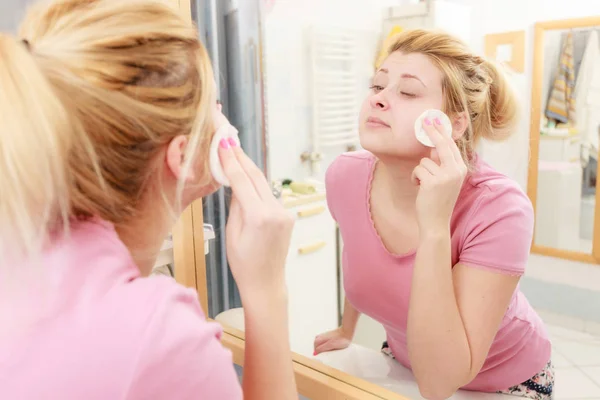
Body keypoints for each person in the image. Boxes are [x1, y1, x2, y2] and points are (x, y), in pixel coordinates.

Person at [0, 1, 296, 399]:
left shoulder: (22, 247)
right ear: (182, 155)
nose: (222, 111)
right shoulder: (159, 336)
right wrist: (266, 291)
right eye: (212, 102)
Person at [314, 29, 553, 400]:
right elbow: (363, 257)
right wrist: (347, 328)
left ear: (454, 125)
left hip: (505, 383)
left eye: (407, 92)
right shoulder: (344, 176)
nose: (379, 99)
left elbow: (439, 385)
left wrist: (435, 228)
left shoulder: (499, 208)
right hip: (408, 363)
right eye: (377, 85)